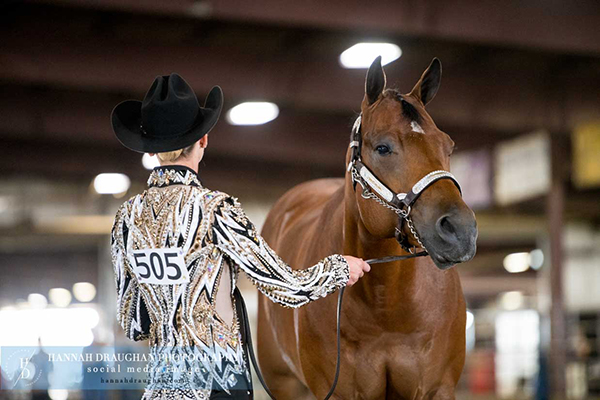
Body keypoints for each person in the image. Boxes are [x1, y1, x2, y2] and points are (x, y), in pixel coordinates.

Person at [109, 73, 370, 400]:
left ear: (151, 149)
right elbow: (285, 288)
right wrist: (339, 270)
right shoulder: (215, 210)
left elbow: (133, 323)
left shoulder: (126, 218)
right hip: (218, 384)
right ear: (203, 141)